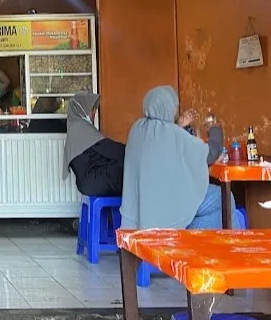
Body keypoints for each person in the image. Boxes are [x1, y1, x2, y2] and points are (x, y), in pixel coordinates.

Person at [120, 85, 243, 230]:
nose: (175, 112)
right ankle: (229, 246)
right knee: (223, 198)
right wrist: (215, 129)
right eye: (174, 108)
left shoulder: (137, 129)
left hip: (142, 208)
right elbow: (210, 154)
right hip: (168, 203)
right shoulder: (173, 134)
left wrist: (178, 125)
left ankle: (189, 238)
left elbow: (163, 144)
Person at [63, 92, 125, 196]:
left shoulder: (75, 128)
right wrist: (133, 152)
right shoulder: (81, 128)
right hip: (94, 180)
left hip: (88, 181)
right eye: (92, 109)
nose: (95, 112)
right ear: (83, 110)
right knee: (132, 174)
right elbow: (109, 149)